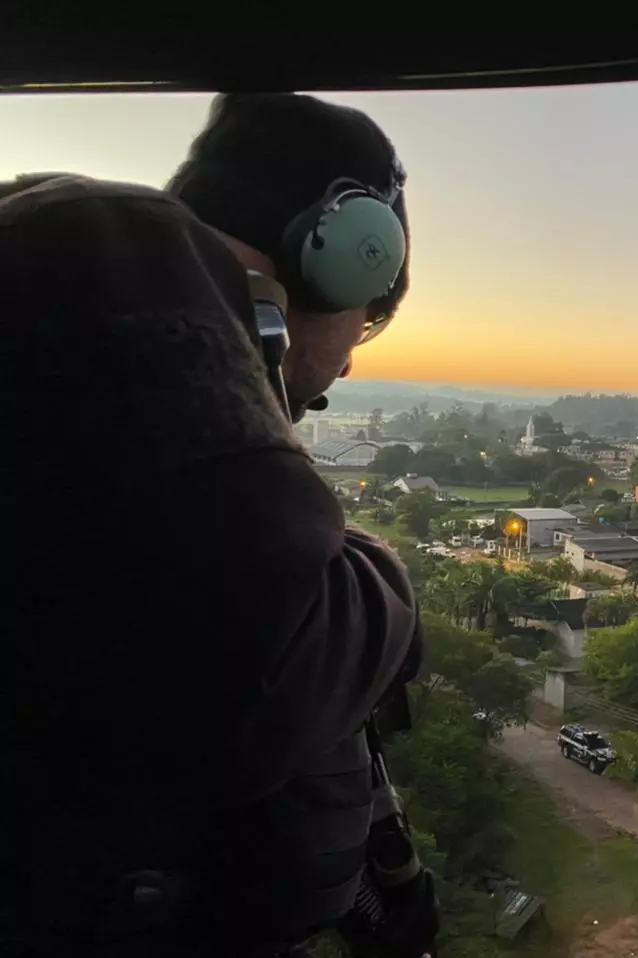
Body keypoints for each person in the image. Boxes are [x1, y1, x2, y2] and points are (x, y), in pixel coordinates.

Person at [3, 94, 432, 958]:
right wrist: (388, 589)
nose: (349, 359)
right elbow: (271, 676)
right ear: (349, 258)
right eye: (369, 313)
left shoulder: (63, 326)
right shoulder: (112, 268)